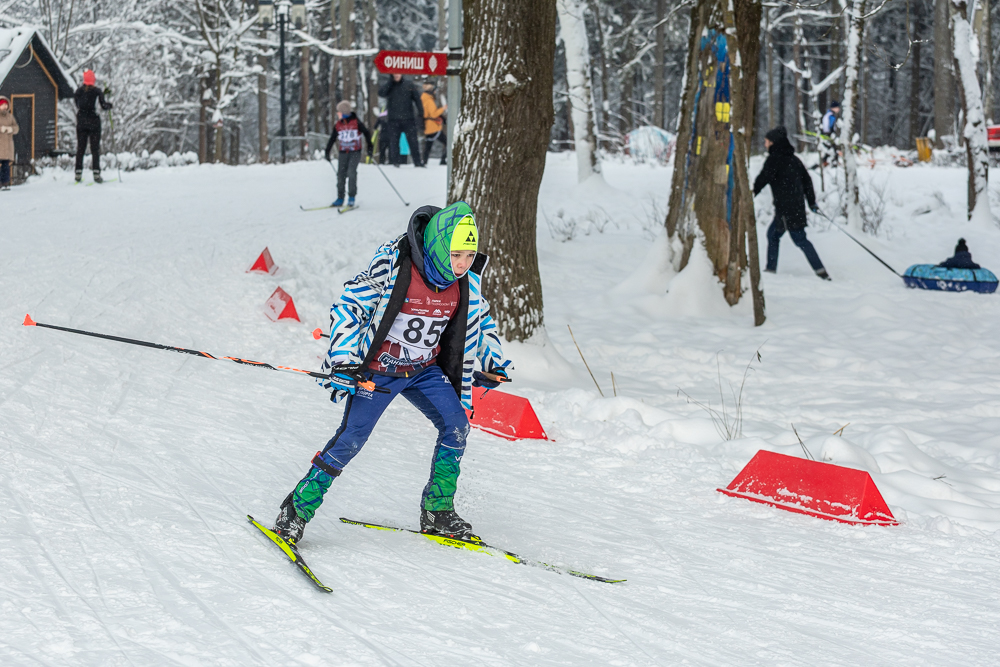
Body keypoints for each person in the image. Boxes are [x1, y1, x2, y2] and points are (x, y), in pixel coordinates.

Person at [272, 201, 511, 545]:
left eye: (469, 256)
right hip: (378, 372)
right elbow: (348, 307)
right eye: (456, 253)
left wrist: (493, 360)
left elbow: (481, 323)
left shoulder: (465, 284)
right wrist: (343, 361)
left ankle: (437, 511)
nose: (462, 263)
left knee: (456, 426)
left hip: (422, 370)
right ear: (439, 245)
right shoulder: (396, 264)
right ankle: (295, 512)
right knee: (350, 439)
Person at [753, 126, 830, 280]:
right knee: (792, 238)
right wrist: (811, 203)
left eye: (766, 141)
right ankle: (821, 272)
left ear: (774, 143)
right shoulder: (794, 160)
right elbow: (807, 182)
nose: (765, 144)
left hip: (785, 210)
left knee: (787, 238)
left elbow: (762, 179)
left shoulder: (774, 160)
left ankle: (771, 271)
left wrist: (751, 194)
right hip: (796, 208)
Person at [324, 100, 373, 209]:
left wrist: (370, 148)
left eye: (339, 112)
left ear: (344, 112)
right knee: (340, 174)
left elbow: (366, 133)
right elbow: (332, 138)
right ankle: (340, 197)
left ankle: (351, 197)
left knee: (351, 172)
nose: (338, 114)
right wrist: (327, 151)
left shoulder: (356, 122)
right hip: (343, 153)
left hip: (355, 152)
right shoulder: (338, 124)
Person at [73, 69, 113, 183]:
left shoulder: (78, 92)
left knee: (81, 148)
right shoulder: (97, 91)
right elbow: (104, 106)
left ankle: (78, 173)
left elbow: (77, 104)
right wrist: (109, 104)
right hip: (94, 122)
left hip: (81, 121)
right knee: (95, 149)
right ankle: (96, 174)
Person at [377, 74, 425, 168]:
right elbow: (381, 93)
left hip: (408, 119)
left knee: (413, 142)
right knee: (394, 142)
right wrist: (390, 82)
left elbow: (417, 100)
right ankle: (395, 162)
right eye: (394, 74)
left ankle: (417, 162)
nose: (396, 76)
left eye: (398, 73)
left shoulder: (409, 85)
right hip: (393, 120)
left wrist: (421, 114)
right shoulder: (389, 86)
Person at [421, 80, 447, 166]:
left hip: (428, 126)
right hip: (433, 126)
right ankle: (443, 160)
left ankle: (424, 161)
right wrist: (443, 108)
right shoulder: (429, 100)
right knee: (448, 142)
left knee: (428, 145)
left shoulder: (425, 99)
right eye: (434, 90)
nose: (435, 92)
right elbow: (433, 114)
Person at [0, 96, 18, 191]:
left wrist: (11, 129)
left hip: (7, 146)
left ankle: (5, 183)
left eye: (5, 105)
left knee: (6, 167)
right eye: (2, 105)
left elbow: (16, 128)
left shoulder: (10, 117)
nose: (4, 106)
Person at [820, 101, 841, 167]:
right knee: (833, 148)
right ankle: (833, 162)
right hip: (828, 134)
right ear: (834, 108)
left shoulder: (828, 114)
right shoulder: (831, 115)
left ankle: (826, 161)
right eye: (838, 107)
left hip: (826, 134)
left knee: (829, 149)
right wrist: (831, 134)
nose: (839, 109)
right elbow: (829, 126)